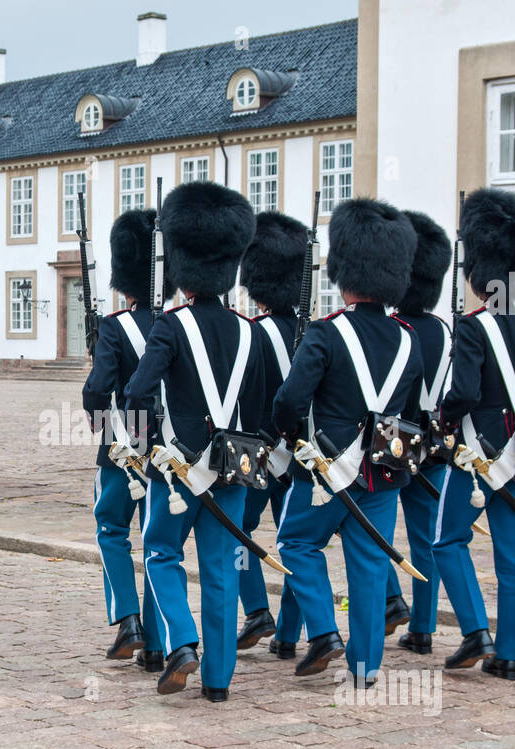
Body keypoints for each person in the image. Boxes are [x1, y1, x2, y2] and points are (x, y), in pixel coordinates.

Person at [272, 197, 421, 687]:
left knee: (295, 544)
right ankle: (366, 665)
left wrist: (292, 435)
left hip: (325, 469)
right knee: (371, 560)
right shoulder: (407, 338)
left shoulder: (325, 333)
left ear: (344, 273)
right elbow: (411, 406)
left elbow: (292, 399)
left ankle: (323, 632)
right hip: (383, 469)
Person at [124, 181, 262, 702]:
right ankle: (219, 682)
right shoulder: (249, 331)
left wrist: (145, 444)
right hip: (234, 470)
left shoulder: (171, 325)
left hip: (179, 469)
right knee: (222, 571)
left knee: (160, 552)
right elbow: (263, 409)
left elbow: (138, 390)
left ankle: (182, 641)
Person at [433, 188, 515, 681]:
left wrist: (444, 418)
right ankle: (510, 654)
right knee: (513, 557)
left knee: (446, 541)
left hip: (477, 454)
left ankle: (476, 629)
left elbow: (463, 391)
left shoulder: (474, 327)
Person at [82, 209, 167, 670]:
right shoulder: (178, 323)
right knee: (158, 543)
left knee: (112, 531)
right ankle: (156, 644)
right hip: (171, 451)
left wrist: (96, 418)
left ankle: (128, 620)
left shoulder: (115, 327)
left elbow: (99, 389)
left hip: (121, 445)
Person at [234, 211, 308, 660]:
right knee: (296, 541)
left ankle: (257, 609)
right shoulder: (312, 331)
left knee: (237, 534)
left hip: (258, 451)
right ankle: (289, 633)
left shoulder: (253, 333)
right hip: (299, 453)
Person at [382, 211, 454, 655]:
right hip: (437, 446)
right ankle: (423, 628)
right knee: (427, 541)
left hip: (395, 443)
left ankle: (391, 599)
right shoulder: (447, 331)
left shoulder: (396, 331)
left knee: (370, 529)